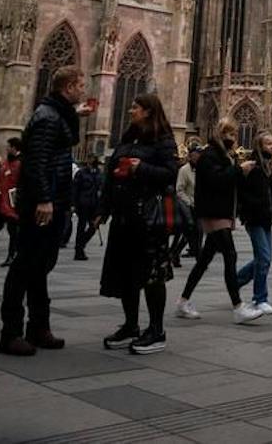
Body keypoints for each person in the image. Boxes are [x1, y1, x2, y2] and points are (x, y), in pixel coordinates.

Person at [0, 66, 89, 356]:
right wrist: (44, 199)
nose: (84, 89)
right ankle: (10, 333)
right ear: (69, 87)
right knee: (26, 265)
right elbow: (36, 161)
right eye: (81, 85)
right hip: (43, 203)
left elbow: (65, 144)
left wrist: (76, 115)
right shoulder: (48, 118)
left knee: (41, 266)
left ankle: (38, 327)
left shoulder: (55, 114)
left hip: (54, 199)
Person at [97, 93, 180, 354]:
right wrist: (104, 207)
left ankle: (156, 330)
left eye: (135, 107)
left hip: (148, 219)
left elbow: (170, 174)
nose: (131, 110)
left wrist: (140, 168)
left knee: (151, 275)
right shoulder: (128, 137)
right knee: (126, 274)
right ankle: (131, 326)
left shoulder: (163, 140)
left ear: (148, 111)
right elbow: (111, 175)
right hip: (124, 216)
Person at [176, 120, 263, 325]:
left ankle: (183, 301)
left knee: (205, 260)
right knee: (230, 255)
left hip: (222, 212)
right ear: (218, 133)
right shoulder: (209, 155)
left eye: (234, 133)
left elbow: (231, 183)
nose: (232, 137)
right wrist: (238, 169)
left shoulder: (224, 155)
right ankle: (238, 306)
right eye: (228, 133)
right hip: (213, 212)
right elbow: (217, 180)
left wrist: (244, 172)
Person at [234, 131, 272, 316]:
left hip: (266, 218)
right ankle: (260, 298)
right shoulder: (253, 166)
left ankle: (235, 282)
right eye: (268, 144)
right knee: (264, 258)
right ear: (260, 146)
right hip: (254, 218)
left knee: (264, 258)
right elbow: (243, 192)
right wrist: (251, 209)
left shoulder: (270, 166)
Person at [169, 143, 201, 266]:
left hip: (197, 206)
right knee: (189, 231)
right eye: (195, 155)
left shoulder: (201, 169)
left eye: (199, 155)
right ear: (190, 156)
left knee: (191, 232)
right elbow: (179, 190)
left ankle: (174, 253)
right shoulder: (184, 170)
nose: (197, 157)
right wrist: (189, 202)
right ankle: (196, 257)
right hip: (185, 206)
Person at [71, 157, 103, 261]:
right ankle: (79, 250)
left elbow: (100, 188)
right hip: (83, 204)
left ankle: (81, 243)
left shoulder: (99, 173)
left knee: (94, 226)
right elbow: (75, 189)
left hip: (94, 205)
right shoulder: (81, 173)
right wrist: (73, 204)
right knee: (81, 227)